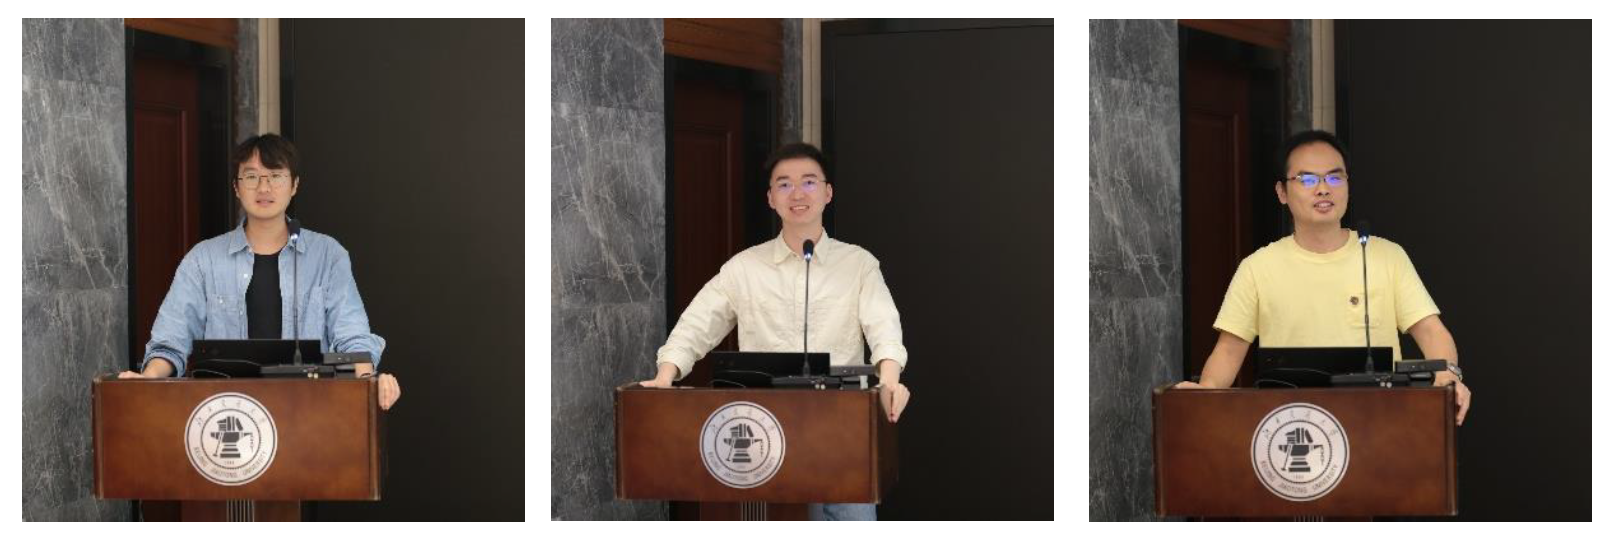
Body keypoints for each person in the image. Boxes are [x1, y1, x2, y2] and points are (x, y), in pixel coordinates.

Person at [637, 142, 910, 521]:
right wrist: (665, 376)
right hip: (765, 435)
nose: (797, 193)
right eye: (784, 184)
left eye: (809, 182)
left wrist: (890, 381)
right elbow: (697, 325)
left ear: (828, 193)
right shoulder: (744, 268)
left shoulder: (858, 264)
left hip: (842, 434)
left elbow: (884, 327)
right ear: (770, 198)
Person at [1174, 130, 1471, 426]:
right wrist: (1205, 391)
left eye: (1334, 178)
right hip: (1291, 427)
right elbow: (1229, 350)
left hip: (1378, 425)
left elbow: (1431, 331)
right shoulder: (1257, 267)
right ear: (1281, 192)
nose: (1323, 189)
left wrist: (1449, 374)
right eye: (1307, 179)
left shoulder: (1386, 256)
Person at [117, 134, 401, 411]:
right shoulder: (203, 260)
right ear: (236, 187)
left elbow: (352, 336)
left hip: (309, 411)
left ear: (294, 185)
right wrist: (148, 378)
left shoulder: (328, 255)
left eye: (275, 176)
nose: (264, 188)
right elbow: (170, 340)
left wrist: (369, 380)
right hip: (228, 411)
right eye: (252, 177)